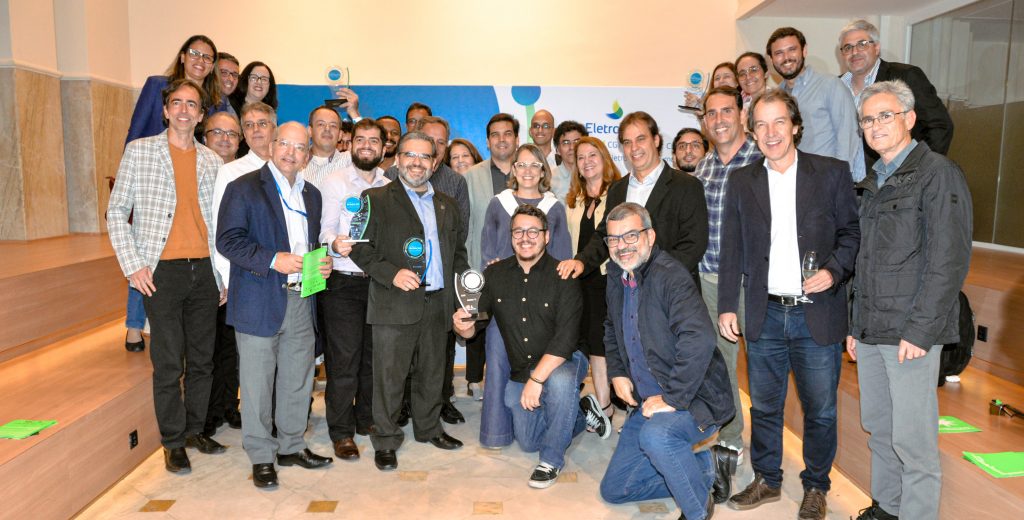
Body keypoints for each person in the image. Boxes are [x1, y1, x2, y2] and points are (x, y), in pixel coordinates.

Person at [718, 89, 860, 519]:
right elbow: (731, 248)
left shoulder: (831, 173)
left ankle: (816, 486)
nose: (771, 132)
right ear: (752, 133)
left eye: (779, 121)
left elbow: (851, 235)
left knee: (820, 411)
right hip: (764, 313)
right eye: (761, 125)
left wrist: (833, 271)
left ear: (795, 126)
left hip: (816, 313)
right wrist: (727, 306)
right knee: (764, 407)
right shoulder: (741, 180)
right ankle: (767, 479)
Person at [848, 80, 972, 520]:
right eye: (868, 119)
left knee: (913, 441)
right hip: (871, 331)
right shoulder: (872, 182)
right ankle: (887, 508)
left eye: (886, 115)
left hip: (910, 335)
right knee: (880, 429)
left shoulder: (937, 173)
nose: (875, 125)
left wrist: (921, 331)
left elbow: (948, 260)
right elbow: (864, 262)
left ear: (910, 119)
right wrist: (854, 326)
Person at [108, 78, 226, 474]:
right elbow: (116, 211)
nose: (184, 110)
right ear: (165, 110)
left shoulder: (212, 160)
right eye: (177, 103)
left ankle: (194, 430)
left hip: (204, 271)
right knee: (169, 362)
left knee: (203, 361)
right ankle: (173, 442)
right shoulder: (140, 152)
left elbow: (217, 223)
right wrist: (133, 264)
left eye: (192, 104)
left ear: (201, 114)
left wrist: (222, 275)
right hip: (162, 272)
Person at [598, 202, 737, 520]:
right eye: (614, 239)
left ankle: (697, 510)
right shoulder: (617, 274)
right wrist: (617, 372)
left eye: (631, 236)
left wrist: (672, 398)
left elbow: (699, 339)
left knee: (657, 437)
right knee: (617, 489)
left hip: (695, 398)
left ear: (650, 236)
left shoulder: (670, 276)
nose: (622, 246)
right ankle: (708, 466)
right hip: (649, 400)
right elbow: (610, 326)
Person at [216, 122, 335, 489]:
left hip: (302, 297)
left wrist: (323, 263)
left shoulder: (312, 195)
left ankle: (291, 445)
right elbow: (227, 241)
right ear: (272, 146)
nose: (291, 152)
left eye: (299, 148)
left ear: (307, 155)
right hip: (258, 298)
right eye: (285, 144)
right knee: (256, 384)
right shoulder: (244, 187)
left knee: (298, 378)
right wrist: (272, 259)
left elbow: (311, 242)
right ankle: (261, 455)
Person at [454, 204, 601, 488]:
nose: (525, 237)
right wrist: (463, 325)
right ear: (511, 236)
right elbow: (477, 321)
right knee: (529, 441)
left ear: (546, 236)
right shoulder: (495, 274)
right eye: (518, 231)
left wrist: (536, 380)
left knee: (559, 382)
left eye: (533, 231)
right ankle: (581, 411)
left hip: (566, 359)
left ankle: (551, 461)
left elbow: (566, 339)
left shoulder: (564, 275)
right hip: (522, 368)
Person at [349, 132, 469, 472]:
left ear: (435, 162)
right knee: (389, 377)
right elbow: (358, 247)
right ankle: (386, 439)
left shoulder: (448, 204)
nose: (417, 162)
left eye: (425, 156)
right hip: (393, 302)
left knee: (433, 372)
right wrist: (391, 274)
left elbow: (458, 256)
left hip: (438, 302)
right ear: (398, 159)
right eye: (410, 155)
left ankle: (429, 428)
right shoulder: (373, 198)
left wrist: (463, 300)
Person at [122, 34, 221, 354]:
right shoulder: (156, 90)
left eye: (207, 57)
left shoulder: (214, 111)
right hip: (153, 203)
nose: (200, 61)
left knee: (201, 356)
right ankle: (134, 328)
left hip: (201, 255)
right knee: (168, 359)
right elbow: (135, 131)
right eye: (195, 53)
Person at [384, 115, 472, 425]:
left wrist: (462, 296)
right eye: (426, 143)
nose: (430, 151)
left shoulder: (452, 189)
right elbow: (373, 241)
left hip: (438, 289)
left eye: (438, 144)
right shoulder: (387, 185)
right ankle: (396, 417)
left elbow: (458, 241)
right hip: (399, 291)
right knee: (398, 363)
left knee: (437, 360)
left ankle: (435, 415)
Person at [693, 87, 764, 464]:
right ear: (704, 121)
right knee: (721, 365)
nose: (718, 119)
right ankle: (732, 435)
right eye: (711, 113)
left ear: (741, 114)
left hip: (753, 282)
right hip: (711, 280)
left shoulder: (762, 158)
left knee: (762, 364)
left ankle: (767, 444)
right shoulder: (703, 166)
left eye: (726, 111)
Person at [557, 111, 708, 288]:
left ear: (656, 140)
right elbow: (605, 235)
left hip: (670, 290)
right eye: (627, 142)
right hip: (625, 290)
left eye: (640, 139)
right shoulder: (617, 189)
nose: (634, 148)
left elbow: (693, 245)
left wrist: (651, 275)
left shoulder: (687, 186)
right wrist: (582, 261)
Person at [318, 118, 389, 461]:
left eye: (374, 141)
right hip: (343, 282)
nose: (366, 146)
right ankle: (341, 431)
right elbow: (324, 229)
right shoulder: (335, 181)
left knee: (373, 358)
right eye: (361, 139)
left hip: (378, 283)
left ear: (384, 148)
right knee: (344, 360)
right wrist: (334, 243)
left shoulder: (391, 185)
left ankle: (366, 419)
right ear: (350, 144)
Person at [838, 19, 954, 174]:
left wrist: (917, 171)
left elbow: (940, 126)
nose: (854, 52)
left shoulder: (906, 76)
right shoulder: (834, 86)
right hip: (843, 180)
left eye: (862, 44)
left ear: (876, 47)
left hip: (893, 179)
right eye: (848, 47)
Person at [565, 137, 622, 432]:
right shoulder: (573, 199)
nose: (586, 162)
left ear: (605, 158)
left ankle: (608, 404)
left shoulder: (618, 195)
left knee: (602, 345)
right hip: (578, 282)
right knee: (587, 343)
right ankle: (602, 404)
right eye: (581, 157)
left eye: (592, 155)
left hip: (606, 280)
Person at [768, 27, 864, 181]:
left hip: (826, 180)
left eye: (792, 49)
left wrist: (837, 179)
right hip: (789, 181)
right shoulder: (775, 98)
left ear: (804, 50)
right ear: (771, 59)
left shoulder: (830, 85)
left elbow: (848, 136)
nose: (786, 57)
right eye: (779, 53)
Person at [200, 109, 243, 436]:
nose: (225, 139)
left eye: (232, 134)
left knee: (231, 347)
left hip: (236, 275)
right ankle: (206, 413)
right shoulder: (198, 172)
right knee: (206, 349)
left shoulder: (244, 175)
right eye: (218, 132)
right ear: (204, 136)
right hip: (204, 272)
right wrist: (217, 276)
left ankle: (228, 405)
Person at [230, 61, 278, 157]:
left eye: (264, 79)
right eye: (254, 77)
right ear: (245, 80)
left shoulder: (270, 113)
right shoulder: (230, 107)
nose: (259, 82)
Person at [551, 121, 588, 203]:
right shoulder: (549, 180)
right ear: (557, 150)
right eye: (566, 143)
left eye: (576, 141)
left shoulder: (594, 175)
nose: (572, 147)